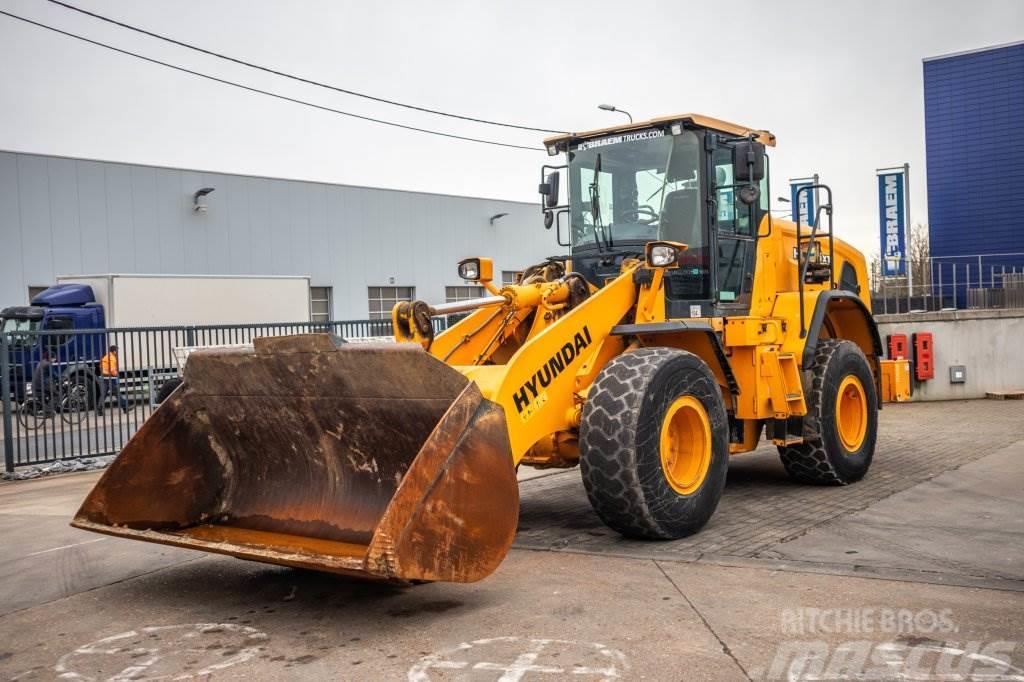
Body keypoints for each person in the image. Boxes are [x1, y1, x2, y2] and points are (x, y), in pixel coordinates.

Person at [100, 344, 128, 413]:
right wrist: (117, 375)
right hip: (110, 378)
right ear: (114, 351)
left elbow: (101, 366)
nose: (117, 352)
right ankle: (125, 407)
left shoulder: (106, 356)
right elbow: (112, 369)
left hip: (104, 377)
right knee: (117, 394)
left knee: (103, 394)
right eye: (117, 351)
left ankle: (99, 409)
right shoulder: (112, 358)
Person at [30, 348, 57, 415]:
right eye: (54, 358)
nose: (55, 360)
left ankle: (44, 409)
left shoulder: (40, 362)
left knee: (45, 397)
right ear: (51, 358)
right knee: (56, 395)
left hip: (34, 385)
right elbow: (54, 375)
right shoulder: (48, 364)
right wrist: (63, 378)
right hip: (42, 385)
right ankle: (49, 410)